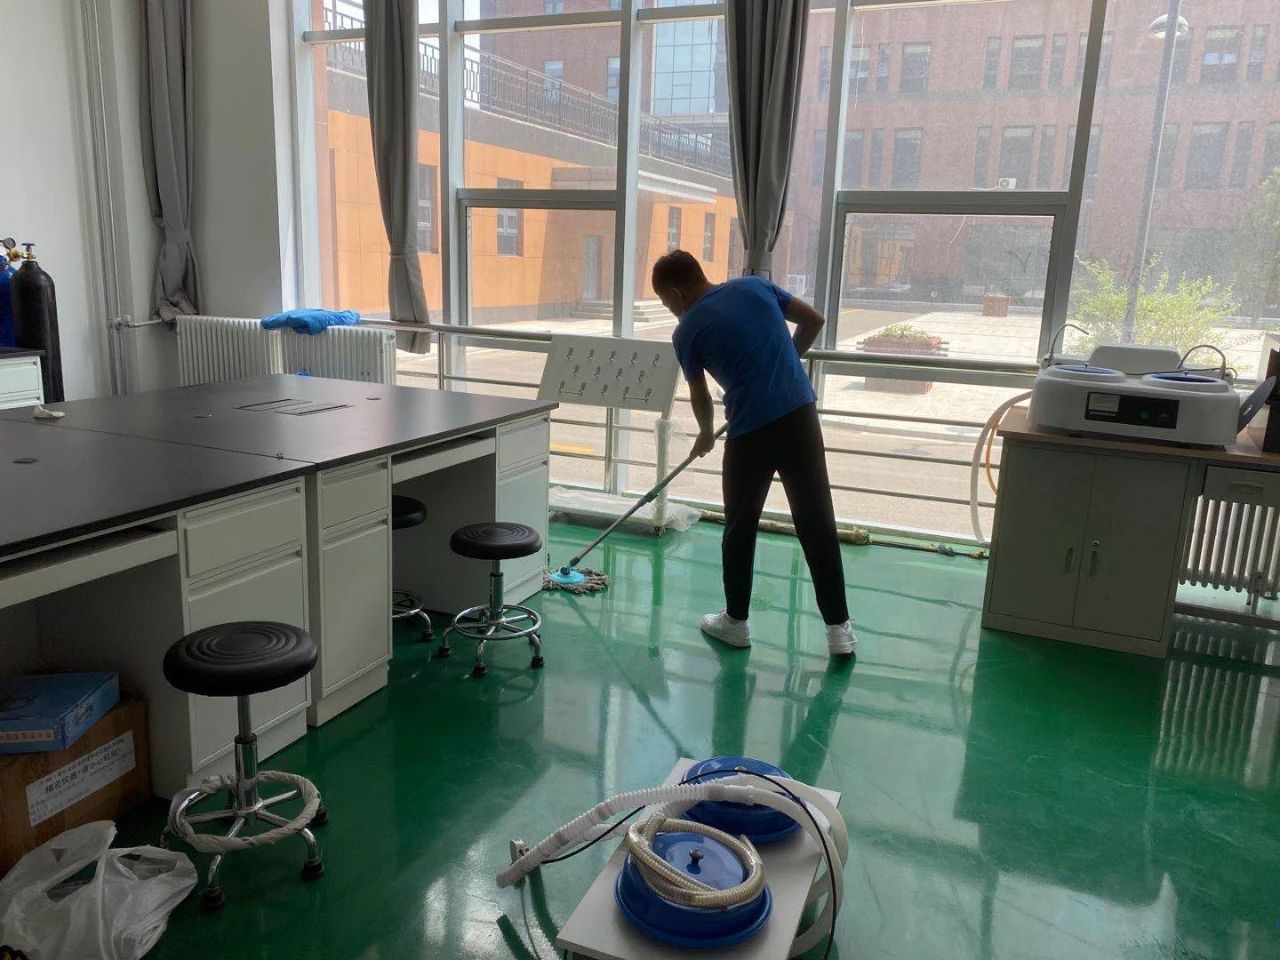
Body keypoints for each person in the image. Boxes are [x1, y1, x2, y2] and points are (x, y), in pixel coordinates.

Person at [652, 250, 856, 657]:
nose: (670, 310)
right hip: (799, 415)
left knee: (740, 526)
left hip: (750, 432)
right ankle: (839, 632)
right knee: (816, 521)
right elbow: (814, 320)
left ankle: (736, 623)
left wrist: (706, 434)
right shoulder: (756, 286)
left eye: (664, 302)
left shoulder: (687, 330)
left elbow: (699, 394)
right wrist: (784, 363)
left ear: (675, 294)